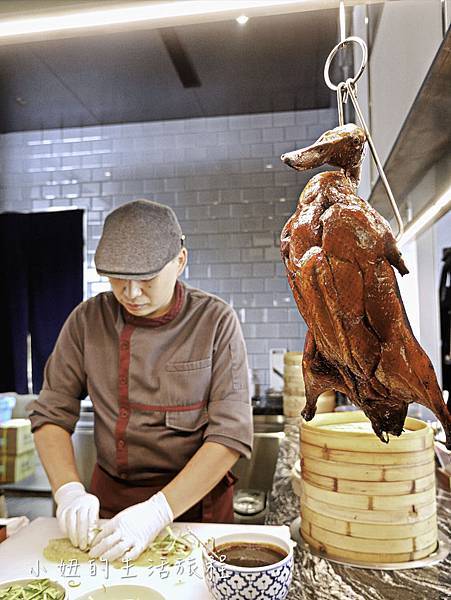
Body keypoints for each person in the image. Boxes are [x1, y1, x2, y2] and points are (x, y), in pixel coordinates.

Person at [29, 199, 253, 563]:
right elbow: (52, 414)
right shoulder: (87, 321)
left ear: (180, 261)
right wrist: (68, 490)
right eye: (118, 277)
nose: (131, 293)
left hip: (191, 506)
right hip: (109, 500)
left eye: (146, 278)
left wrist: (158, 512)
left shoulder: (215, 322)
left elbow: (230, 436)